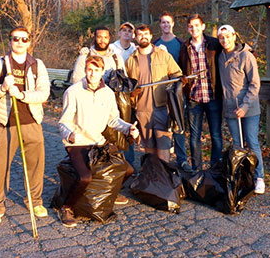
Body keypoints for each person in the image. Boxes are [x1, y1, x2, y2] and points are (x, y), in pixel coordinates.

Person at [58, 55, 139, 227]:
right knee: (85, 177)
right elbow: (63, 122)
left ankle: (109, 192)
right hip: (77, 143)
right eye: (89, 70)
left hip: (98, 141)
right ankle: (66, 207)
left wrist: (129, 128)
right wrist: (70, 135)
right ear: (85, 70)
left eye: (96, 70)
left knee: (127, 169)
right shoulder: (73, 92)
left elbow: (113, 120)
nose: (92, 73)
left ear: (103, 71)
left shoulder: (108, 93)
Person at [0, 26, 50, 227]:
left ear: (29, 42)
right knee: (0, 167)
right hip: (6, 123)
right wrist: (2, 87)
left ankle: (34, 201)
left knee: (35, 166)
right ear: (10, 41)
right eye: (15, 38)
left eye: (24, 39)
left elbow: (44, 93)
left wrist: (22, 96)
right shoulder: (0, 63)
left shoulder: (37, 64)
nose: (19, 42)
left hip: (31, 121)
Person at [217, 25, 265, 194]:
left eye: (228, 37)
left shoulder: (246, 56)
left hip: (249, 109)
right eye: (221, 38)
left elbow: (254, 84)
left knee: (252, 142)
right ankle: (242, 176)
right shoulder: (221, 57)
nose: (225, 40)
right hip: (230, 109)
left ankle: (259, 177)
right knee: (237, 145)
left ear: (234, 36)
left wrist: (244, 106)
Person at [126, 24, 183, 162]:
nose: (143, 37)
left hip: (162, 109)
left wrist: (173, 86)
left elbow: (177, 74)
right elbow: (126, 86)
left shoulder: (163, 55)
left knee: (164, 146)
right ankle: (152, 177)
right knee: (149, 148)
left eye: (146, 34)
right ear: (135, 37)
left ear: (151, 36)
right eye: (140, 34)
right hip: (141, 110)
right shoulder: (130, 60)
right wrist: (132, 93)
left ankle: (164, 177)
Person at [178, 14, 224, 171]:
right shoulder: (184, 48)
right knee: (194, 137)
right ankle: (196, 170)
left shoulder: (214, 44)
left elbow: (231, 50)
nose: (194, 29)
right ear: (188, 28)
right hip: (194, 98)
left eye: (197, 25)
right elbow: (180, 70)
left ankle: (215, 169)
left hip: (213, 97)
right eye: (191, 26)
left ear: (203, 27)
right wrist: (183, 81)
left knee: (216, 135)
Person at [153, 11, 190, 171]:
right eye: (163, 22)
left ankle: (182, 159)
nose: (166, 25)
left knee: (178, 125)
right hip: (159, 93)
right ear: (160, 25)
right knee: (161, 127)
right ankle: (160, 161)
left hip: (176, 93)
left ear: (173, 24)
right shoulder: (154, 45)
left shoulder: (181, 44)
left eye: (168, 22)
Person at [109, 22, 137, 168]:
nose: (126, 33)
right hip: (113, 94)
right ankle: (113, 163)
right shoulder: (111, 49)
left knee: (128, 127)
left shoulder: (135, 49)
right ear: (119, 33)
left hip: (129, 96)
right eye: (124, 30)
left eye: (129, 31)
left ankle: (129, 163)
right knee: (113, 128)